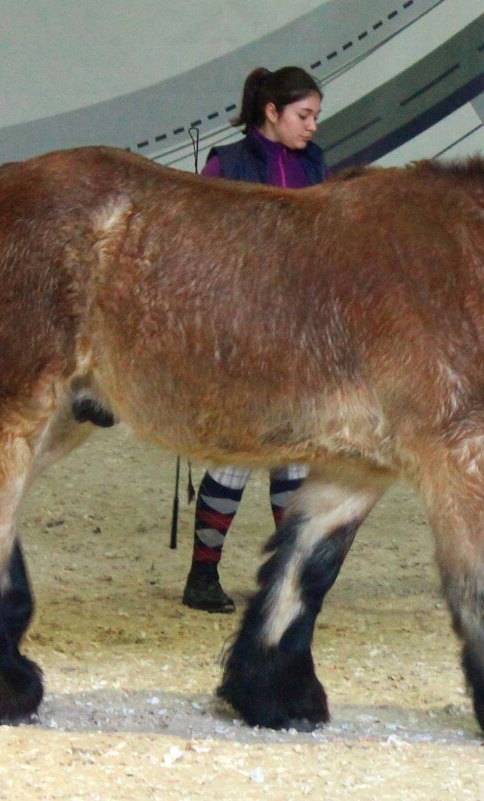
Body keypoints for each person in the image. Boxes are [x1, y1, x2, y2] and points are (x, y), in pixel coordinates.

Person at [181, 66, 328, 613]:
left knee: (292, 456)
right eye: (303, 115)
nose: (312, 126)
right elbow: (203, 247)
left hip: (298, 331)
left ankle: (283, 578)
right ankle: (202, 577)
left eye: (315, 116)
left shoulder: (313, 162)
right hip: (244, 330)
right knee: (237, 454)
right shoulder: (229, 163)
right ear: (272, 111)